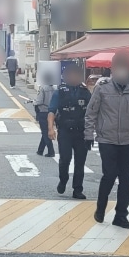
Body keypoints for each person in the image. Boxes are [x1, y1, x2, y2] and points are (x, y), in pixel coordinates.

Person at [85, 52, 129, 228]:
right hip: (107, 139)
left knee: (125, 179)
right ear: (112, 69)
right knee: (110, 175)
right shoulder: (102, 88)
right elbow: (91, 113)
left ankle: (121, 215)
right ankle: (100, 208)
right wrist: (88, 135)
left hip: (126, 140)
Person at [48, 63, 92, 199]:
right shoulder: (60, 92)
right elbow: (51, 111)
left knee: (80, 162)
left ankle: (77, 189)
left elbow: (92, 113)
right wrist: (51, 128)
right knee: (65, 159)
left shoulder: (85, 92)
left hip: (81, 132)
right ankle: (63, 180)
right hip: (65, 131)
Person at [34, 79, 56, 157]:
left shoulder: (43, 88)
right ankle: (40, 150)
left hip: (43, 111)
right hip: (52, 112)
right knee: (46, 130)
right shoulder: (55, 88)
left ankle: (51, 151)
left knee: (45, 132)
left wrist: (34, 102)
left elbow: (39, 101)